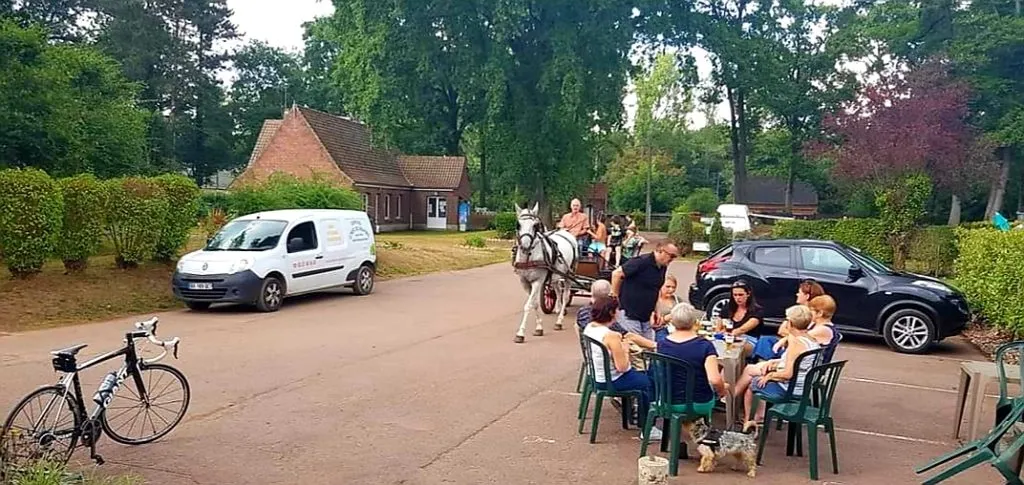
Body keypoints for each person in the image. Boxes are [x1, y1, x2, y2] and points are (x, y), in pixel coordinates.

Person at [583, 296, 660, 441]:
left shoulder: (590, 327)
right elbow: (623, 367)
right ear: (612, 313)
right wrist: (624, 348)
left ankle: (637, 415)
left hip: (597, 377)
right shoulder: (611, 336)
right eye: (617, 310)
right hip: (613, 380)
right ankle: (648, 427)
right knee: (650, 382)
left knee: (644, 378)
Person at [733, 305, 820, 432]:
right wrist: (775, 362)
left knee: (752, 384)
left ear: (790, 323)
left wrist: (769, 376)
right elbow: (797, 362)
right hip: (801, 385)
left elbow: (788, 374)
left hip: (790, 388)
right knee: (752, 371)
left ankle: (747, 420)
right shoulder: (810, 340)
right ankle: (738, 405)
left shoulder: (796, 343)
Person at [657, 302, 730, 418]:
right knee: (723, 386)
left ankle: (684, 426)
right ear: (695, 322)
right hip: (698, 402)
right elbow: (715, 380)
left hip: (668, 401)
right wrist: (722, 390)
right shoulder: (705, 346)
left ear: (672, 322)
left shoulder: (662, 344)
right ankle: (701, 426)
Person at [609, 241, 680, 342]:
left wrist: (657, 310)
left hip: (645, 317)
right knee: (636, 348)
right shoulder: (642, 261)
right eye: (671, 256)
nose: (672, 259)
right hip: (630, 314)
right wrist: (614, 296)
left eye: (675, 257)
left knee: (650, 348)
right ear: (661, 251)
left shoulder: (662, 267)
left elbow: (655, 289)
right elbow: (617, 273)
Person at [752, 279, 825, 361]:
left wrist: (789, 336)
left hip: (796, 348)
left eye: (799, 292)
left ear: (807, 296)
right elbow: (781, 330)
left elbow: (803, 335)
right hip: (790, 342)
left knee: (764, 344)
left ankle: (761, 363)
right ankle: (759, 361)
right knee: (765, 339)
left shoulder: (811, 315)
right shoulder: (797, 310)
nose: (797, 294)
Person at [720, 280, 764, 356]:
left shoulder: (757, 311)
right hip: (728, 338)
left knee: (733, 348)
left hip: (749, 340)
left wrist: (729, 334)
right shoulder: (728, 308)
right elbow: (719, 328)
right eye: (735, 295)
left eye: (741, 295)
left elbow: (742, 329)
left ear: (748, 294)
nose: (737, 298)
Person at [651, 275, 682, 342]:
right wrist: (666, 318)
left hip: (678, 329)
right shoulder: (654, 301)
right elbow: (652, 324)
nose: (671, 290)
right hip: (661, 330)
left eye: (673, 287)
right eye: (668, 287)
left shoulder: (677, 300)